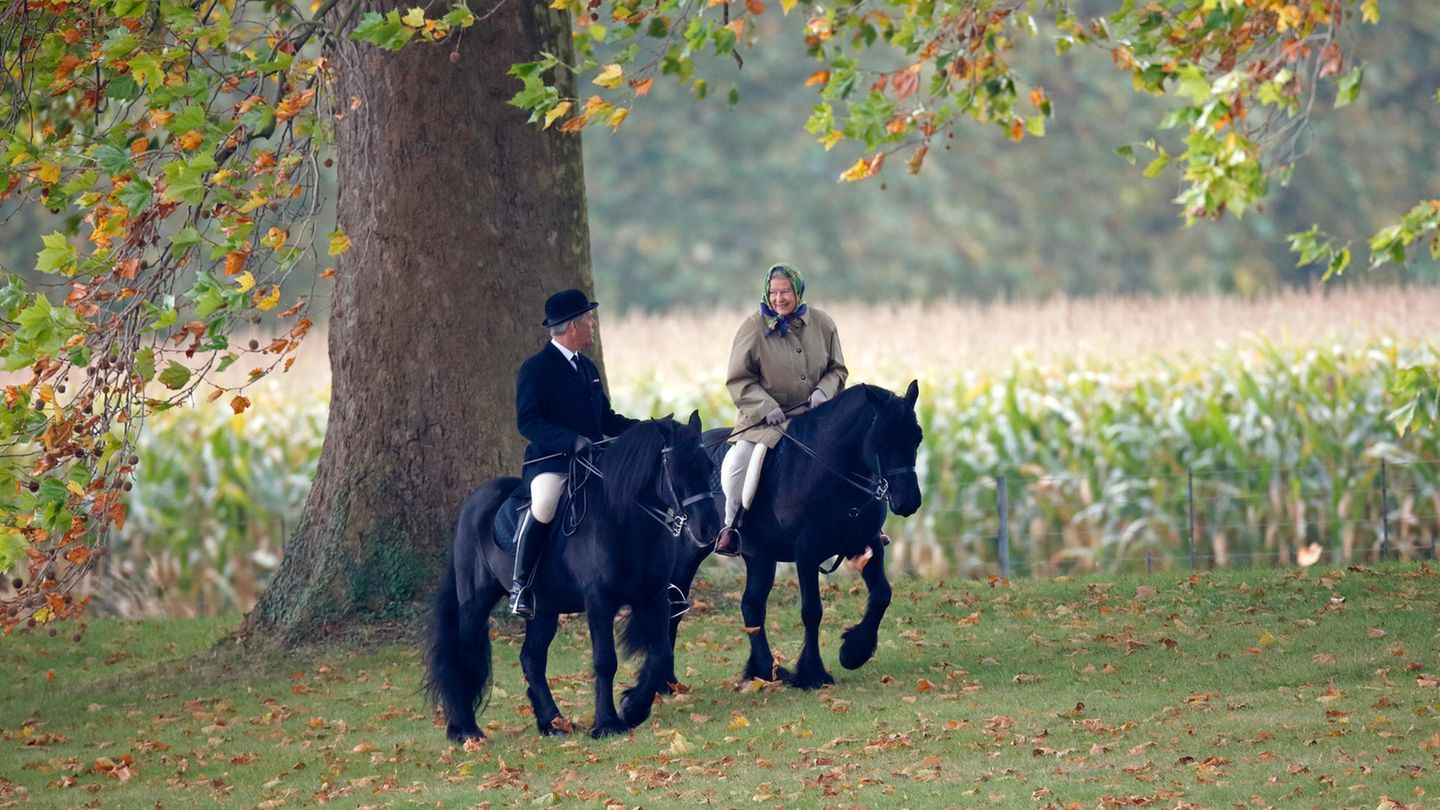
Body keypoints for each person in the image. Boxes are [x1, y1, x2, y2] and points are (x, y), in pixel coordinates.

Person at [509, 288, 638, 617]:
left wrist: (645, 430)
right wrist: (570, 441)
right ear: (572, 326)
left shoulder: (589, 369)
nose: (594, 324)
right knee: (544, 503)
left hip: (593, 464)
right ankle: (520, 586)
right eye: (589, 319)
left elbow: (607, 420)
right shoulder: (536, 369)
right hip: (552, 464)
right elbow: (528, 422)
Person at [715, 263, 848, 556]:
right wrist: (766, 407)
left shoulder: (824, 324)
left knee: (854, 452)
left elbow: (837, 369)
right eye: (773, 293)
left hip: (816, 419)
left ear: (798, 291)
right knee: (738, 463)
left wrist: (824, 393)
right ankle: (731, 527)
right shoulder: (752, 327)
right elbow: (739, 379)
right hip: (764, 423)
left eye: (785, 291)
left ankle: (866, 527)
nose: (779, 299)